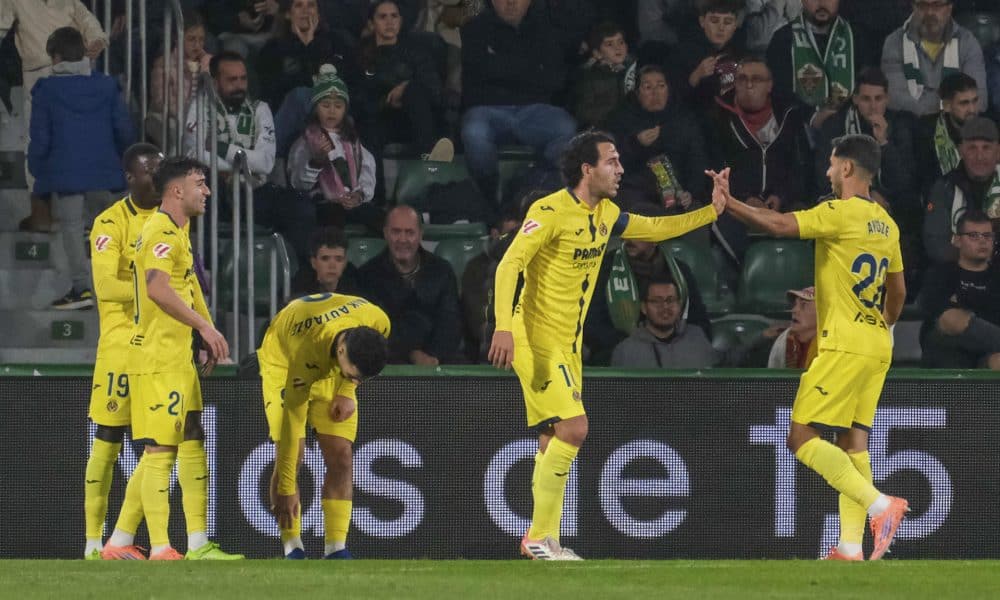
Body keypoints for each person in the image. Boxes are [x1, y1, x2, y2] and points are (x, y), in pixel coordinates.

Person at [488, 130, 724, 560]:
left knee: (552, 437)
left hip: (567, 343)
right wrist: (503, 327)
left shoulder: (607, 214)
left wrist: (711, 212)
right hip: (534, 336)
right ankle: (539, 537)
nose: (620, 169)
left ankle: (543, 540)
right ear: (587, 169)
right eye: (611, 161)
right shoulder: (549, 210)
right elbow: (510, 264)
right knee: (575, 428)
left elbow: (654, 227)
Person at [706, 133, 909, 561]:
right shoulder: (887, 223)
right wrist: (884, 326)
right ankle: (850, 547)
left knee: (800, 437)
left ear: (847, 168)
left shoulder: (839, 212)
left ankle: (880, 506)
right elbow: (898, 293)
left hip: (844, 344)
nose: (828, 172)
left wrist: (731, 203)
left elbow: (780, 225)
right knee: (854, 441)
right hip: (876, 343)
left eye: (832, 164)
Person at [116, 156, 241, 560]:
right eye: (200, 183)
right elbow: (157, 289)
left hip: (176, 355)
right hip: (157, 356)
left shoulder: (178, 231)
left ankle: (144, 541)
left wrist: (204, 332)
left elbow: (188, 289)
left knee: (191, 436)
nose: (207, 191)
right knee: (160, 449)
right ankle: (161, 547)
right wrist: (204, 327)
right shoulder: (159, 230)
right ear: (176, 190)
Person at [261, 293, 390, 559]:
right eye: (352, 375)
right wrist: (285, 489)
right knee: (292, 453)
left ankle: (336, 549)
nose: (356, 380)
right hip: (284, 365)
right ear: (341, 352)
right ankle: (292, 546)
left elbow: (356, 370)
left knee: (341, 455)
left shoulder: (378, 320)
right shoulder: (306, 351)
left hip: (330, 364)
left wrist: (348, 388)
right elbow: (292, 423)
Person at [83, 143, 163, 560]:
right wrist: (153, 292)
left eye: (161, 169)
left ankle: (121, 539)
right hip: (119, 346)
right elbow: (105, 287)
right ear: (131, 178)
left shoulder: (170, 220)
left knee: (159, 444)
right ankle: (92, 543)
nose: (158, 177)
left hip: (159, 346)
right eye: (151, 171)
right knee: (108, 439)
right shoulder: (110, 222)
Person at [29, 27, 134, 310]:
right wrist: (122, 160)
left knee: (72, 229)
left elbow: (40, 138)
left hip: (67, 176)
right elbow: (123, 129)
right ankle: (120, 289)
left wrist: (37, 168)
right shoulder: (106, 85)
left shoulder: (46, 90)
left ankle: (81, 289)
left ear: (56, 56)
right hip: (105, 172)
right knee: (108, 229)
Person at [183, 51, 314, 266]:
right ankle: (208, 272)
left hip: (253, 191)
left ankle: (297, 273)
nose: (239, 85)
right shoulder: (200, 108)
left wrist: (222, 148)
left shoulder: (260, 110)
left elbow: (266, 162)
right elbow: (196, 153)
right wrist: (242, 164)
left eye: (243, 79)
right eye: (232, 80)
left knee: (300, 206)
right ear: (215, 82)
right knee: (202, 187)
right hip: (217, 191)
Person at [0, 0, 107, 233]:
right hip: (39, 76)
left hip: (75, 74)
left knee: (76, 143)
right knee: (38, 144)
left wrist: (97, 40)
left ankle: (79, 215)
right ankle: (41, 213)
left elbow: (89, 23)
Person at [460, 0, 577, 202]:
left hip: (535, 110)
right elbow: (474, 76)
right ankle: (489, 197)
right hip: (488, 109)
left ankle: (529, 181)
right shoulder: (475, 28)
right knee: (474, 132)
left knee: (566, 128)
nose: (511, 3)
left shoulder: (546, 29)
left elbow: (554, 79)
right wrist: (530, 69)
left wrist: (498, 67)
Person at [705, 55, 813, 262]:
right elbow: (712, 168)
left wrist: (781, 196)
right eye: (742, 79)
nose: (749, 84)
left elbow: (801, 168)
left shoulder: (789, 116)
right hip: (734, 205)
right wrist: (745, 199)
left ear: (769, 85)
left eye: (757, 79)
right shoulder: (718, 117)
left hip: (782, 204)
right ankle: (744, 277)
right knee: (718, 225)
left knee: (809, 221)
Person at [359, 205, 462, 365]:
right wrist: (411, 354)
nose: (402, 239)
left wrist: (433, 357)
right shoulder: (367, 275)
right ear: (385, 233)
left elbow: (450, 322)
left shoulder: (442, 270)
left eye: (410, 232)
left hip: (439, 360)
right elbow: (373, 330)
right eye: (396, 232)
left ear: (420, 234)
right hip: (389, 362)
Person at [813, 68, 918, 224]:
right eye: (866, 99)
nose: (873, 106)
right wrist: (865, 194)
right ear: (855, 99)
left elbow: (904, 181)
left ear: (887, 99)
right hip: (845, 204)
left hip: (890, 206)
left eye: (878, 99)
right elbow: (825, 177)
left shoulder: (900, 125)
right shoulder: (835, 126)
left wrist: (883, 142)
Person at [287, 65, 382, 232]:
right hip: (323, 204)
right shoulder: (306, 141)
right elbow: (299, 183)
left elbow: (366, 175)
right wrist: (317, 160)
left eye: (338, 106)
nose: (332, 111)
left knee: (382, 219)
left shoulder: (353, 142)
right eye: (325, 105)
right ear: (315, 108)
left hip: (351, 202)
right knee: (333, 217)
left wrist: (358, 196)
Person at [354, 0, 453, 160]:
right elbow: (359, 99)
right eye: (383, 17)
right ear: (371, 24)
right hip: (382, 120)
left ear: (400, 21)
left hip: (415, 119)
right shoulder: (361, 55)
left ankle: (427, 152)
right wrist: (386, 101)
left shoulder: (417, 51)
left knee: (413, 90)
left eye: (394, 16)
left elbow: (435, 90)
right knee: (368, 128)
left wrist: (406, 88)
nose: (389, 22)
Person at [606, 64, 709, 216]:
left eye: (661, 86)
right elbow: (610, 164)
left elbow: (697, 160)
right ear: (637, 93)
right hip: (636, 194)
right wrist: (636, 144)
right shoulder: (622, 118)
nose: (655, 93)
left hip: (679, 194)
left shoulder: (683, 118)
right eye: (648, 87)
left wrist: (691, 192)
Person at [765, 0, 876, 125]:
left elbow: (869, 88)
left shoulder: (857, 37)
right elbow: (779, 94)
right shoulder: (782, 39)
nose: (822, 3)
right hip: (800, 128)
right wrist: (812, 117)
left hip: (851, 126)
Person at [918, 210, 1000, 369]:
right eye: (973, 236)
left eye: (987, 236)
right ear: (957, 240)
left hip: (988, 352)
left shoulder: (997, 276)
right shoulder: (940, 273)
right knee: (952, 318)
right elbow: (943, 318)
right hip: (947, 349)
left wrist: (964, 304)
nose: (982, 241)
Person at [881, 0, 987, 117]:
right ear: (913, 7)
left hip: (957, 122)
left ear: (949, 7)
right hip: (911, 123)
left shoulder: (968, 43)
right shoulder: (894, 43)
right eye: (923, 5)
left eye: (937, 5)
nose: (929, 12)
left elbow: (979, 99)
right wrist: (932, 118)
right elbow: (895, 99)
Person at [923, 116, 1000, 264]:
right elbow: (935, 244)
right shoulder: (944, 188)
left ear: (998, 151)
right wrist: (976, 258)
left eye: (986, 148)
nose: (979, 157)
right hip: (957, 270)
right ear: (961, 151)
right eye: (972, 148)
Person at [257, 0, 348, 113]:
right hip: (287, 113)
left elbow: (334, 84)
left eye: (311, 5)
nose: (305, 11)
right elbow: (273, 92)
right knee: (301, 93)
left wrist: (310, 45)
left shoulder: (335, 42)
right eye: (299, 5)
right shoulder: (272, 49)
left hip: (329, 111)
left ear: (318, 14)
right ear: (288, 14)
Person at [609, 278, 717, 368]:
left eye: (670, 300)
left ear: (679, 305)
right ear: (643, 307)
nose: (665, 307)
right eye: (657, 301)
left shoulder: (696, 337)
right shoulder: (625, 351)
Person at [148, 10, 213, 148]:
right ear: (177, 38)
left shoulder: (209, 63)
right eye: (191, 39)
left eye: (201, 39)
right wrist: (189, 115)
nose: (197, 45)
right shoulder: (164, 64)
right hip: (174, 118)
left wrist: (206, 64)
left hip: (202, 119)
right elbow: (160, 102)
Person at [913, 72, 981, 194]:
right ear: (947, 106)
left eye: (975, 101)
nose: (972, 109)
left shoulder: (990, 128)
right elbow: (924, 182)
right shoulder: (926, 131)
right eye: (964, 103)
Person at [671, 0, 745, 109]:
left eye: (728, 22)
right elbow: (672, 98)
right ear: (702, 21)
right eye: (714, 21)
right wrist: (696, 75)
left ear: (735, 25)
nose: (721, 28)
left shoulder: (741, 52)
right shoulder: (683, 53)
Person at [569, 20, 637, 129]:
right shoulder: (588, 77)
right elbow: (583, 113)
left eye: (621, 42)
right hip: (604, 128)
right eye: (609, 44)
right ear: (597, 53)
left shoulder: (635, 69)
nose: (617, 48)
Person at [290, 226, 361, 297]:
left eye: (338, 259)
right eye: (325, 259)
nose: (332, 266)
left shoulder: (355, 290)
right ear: (313, 263)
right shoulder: (299, 290)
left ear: (345, 263)